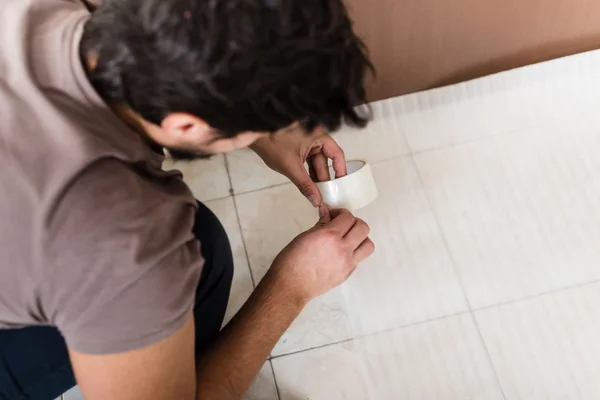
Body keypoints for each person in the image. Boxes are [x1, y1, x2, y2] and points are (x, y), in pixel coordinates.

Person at [0, 0, 375, 398]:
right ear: (185, 124)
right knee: (199, 259)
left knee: (202, 242)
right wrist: (292, 287)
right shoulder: (130, 244)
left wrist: (256, 129)